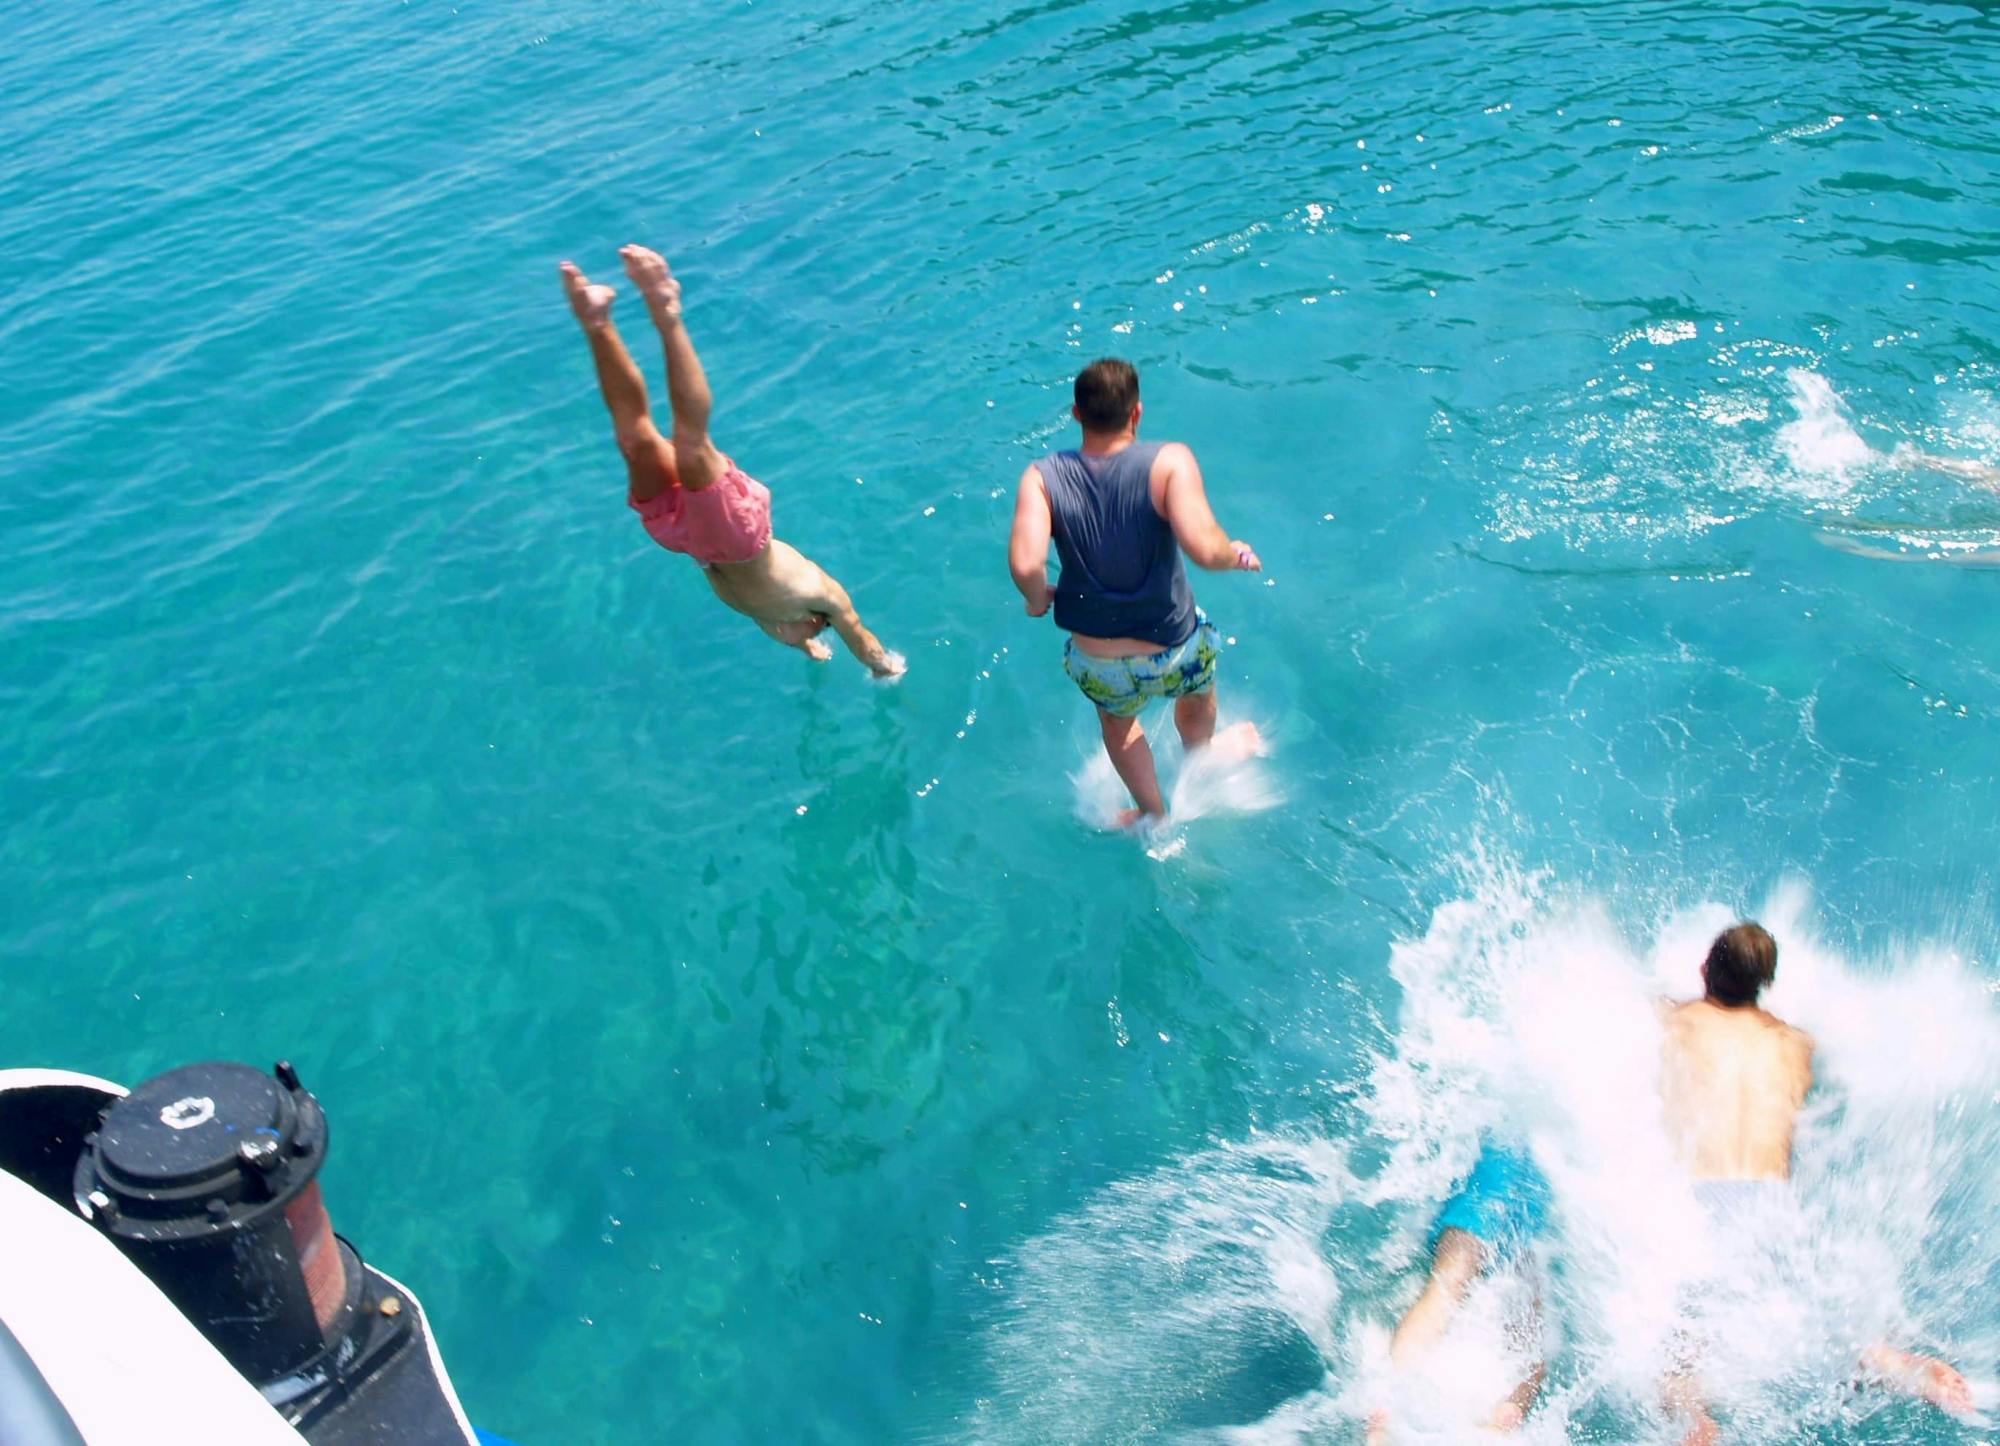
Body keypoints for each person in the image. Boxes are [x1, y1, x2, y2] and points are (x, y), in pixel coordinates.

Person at [1657, 922, 1972, 1445]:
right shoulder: (1796, 1042)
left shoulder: (1676, 1021)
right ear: (1765, 984)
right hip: (1770, 1202)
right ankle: (1905, 1367)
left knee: (1679, 1360)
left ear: (1705, 971)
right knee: (1827, 1333)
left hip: (1701, 1199)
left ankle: (1697, 1423)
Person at [560, 246, 904, 677]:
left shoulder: (771, 620)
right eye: (809, 636)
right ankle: (666, 311)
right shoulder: (825, 597)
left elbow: (796, 638)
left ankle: (596, 322)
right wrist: (884, 666)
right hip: (739, 538)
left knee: (636, 441)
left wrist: (811, 651)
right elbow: (859, 635)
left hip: (687, 538)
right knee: (690, 442)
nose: (803, 638)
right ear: (812, 621)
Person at [1007, 358, 1262, 828]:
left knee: (1119, 725)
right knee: (1197, 693)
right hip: (1175, 646)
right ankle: (1200, 763)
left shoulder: (1041, 477)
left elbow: (1025, 564)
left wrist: (1037, 598)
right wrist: (1237, 554)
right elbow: (1206, 550)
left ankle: (1153, 813)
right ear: (1137, 413)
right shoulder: (1169, 463)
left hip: (1099, 657)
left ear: (1076, 414)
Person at [1367, 1139, 1553, 1444]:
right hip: (1522, 1166)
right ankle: (1506, 1416)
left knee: (1454, 1279)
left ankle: (1388, 1409)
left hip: (1502, 1162)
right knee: (1523, 1293)